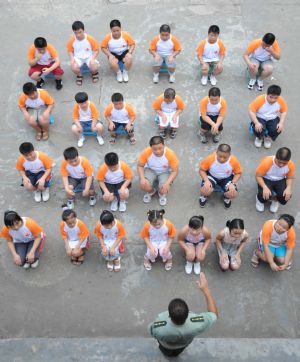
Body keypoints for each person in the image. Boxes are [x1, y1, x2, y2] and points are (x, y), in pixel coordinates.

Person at [148, 272, 218, 357]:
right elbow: (214, 314)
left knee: (166, 353)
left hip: (166, 346)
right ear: (188, 313)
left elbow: (151, 330)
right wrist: (206, 290)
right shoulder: (198, 323)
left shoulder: (159, 326)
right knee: (177, 353)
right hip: (183, 345)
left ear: (169, 316)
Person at [137, 136, 179, 206]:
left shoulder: (170, 154)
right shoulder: (146, 152)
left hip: (164, 172)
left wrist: (167, 183)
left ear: (164, 145)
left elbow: (175, 171)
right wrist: (142, 178)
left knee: (164, 189)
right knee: (144, 185)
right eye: (155, 149)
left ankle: (161, 194)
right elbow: (140, 165)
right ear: (151, 147)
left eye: (160, 148)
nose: (158, 151)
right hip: (150, 170)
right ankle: (151, 191)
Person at [199, 144, 242, 209]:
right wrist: (206, 181)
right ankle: (204, 196)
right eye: (220, 156)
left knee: (233, 193)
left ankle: (226, 197)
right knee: (205, 189)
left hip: (226, 178)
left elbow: (238, 173)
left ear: (229, 155)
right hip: (212, 176)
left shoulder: (234, 161)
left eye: (225, 157)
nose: (222, 159)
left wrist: (233, 183)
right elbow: (202, 170)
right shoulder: (210, 158)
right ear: (216, 153)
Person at [255, 147, 295, 213]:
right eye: (279, 162)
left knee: (286, 195)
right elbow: (258, 176)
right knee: (264, 194)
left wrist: (288, 187)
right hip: (266, 178)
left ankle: (276, 200)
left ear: (288, 161)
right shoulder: (266, 162)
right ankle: (260, 200)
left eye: (284, 163)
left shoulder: (290, 165)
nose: (281, 165)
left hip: (280, 179)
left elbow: (289, 177)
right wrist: (264, 187)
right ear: (275, 157)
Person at [249, 84, 287, 149]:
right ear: (267, 94)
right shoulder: (260, 99)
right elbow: (251, 111)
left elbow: (284, 111)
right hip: (260, 117)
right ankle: (259, 138)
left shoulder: (280, 100)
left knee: (278, 129)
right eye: (271, 97)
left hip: (272, 118)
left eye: (276, 98)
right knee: (259, 129)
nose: (273, 100)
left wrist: (281, 123)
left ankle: (268, 138)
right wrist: (256, 123)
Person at [66, 20, 99, 85]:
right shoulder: (72, 40)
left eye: (80, 32)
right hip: (78, 58)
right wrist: (72, 59)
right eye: (76, 33)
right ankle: (79, 75)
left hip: (89, 57)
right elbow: (69, 50)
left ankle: (94, 73)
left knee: (94, 66)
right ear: (73, 32)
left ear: (84, 30)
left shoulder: (90, 39)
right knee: (73, 67)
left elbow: (96, 50)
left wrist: (93, 59)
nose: (78, 35)